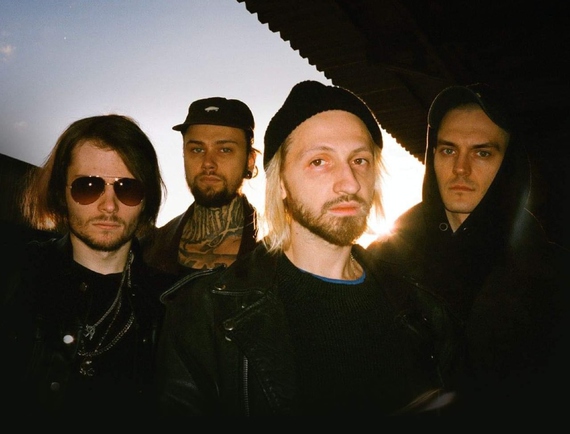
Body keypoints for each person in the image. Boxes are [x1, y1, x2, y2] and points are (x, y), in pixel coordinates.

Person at [155, 80, 454, 416]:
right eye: (319, 161)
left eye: (360, 160)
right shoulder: (203, 316)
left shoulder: (425, 312)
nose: (350, 182)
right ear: (281, 182)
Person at [367, 84, 570, 419]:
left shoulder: (553, 278)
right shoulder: (381, 262)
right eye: (448, 150)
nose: (460, 168)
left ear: (510, 165)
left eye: (482, 153)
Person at [0, 114, 177, 416]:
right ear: (61, 192)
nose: (109, 205)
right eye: (88, 186)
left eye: (127, 188)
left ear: (147, 199)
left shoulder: (171, 307)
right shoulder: (15, 275)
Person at [142, 97, 259, 276]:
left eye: (225, 149)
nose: (208, 163)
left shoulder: (275, 252)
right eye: (197, 149)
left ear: (250, 161)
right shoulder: (149, 249)